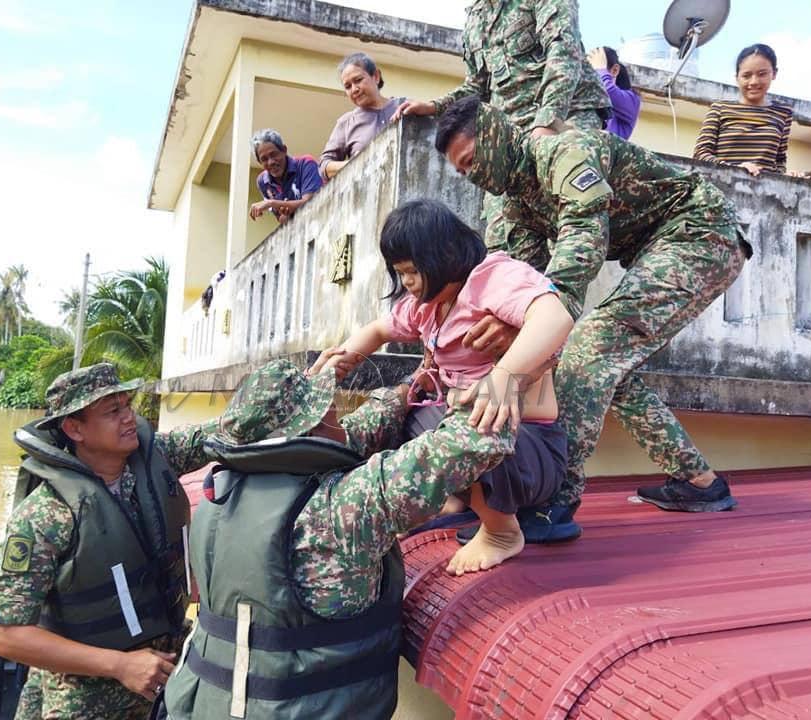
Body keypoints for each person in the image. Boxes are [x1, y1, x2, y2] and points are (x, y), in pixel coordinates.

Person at [434, 96, 751, 538]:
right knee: (606, 367)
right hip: (657, 247)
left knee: (591, 346)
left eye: (473, 162)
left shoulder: (566, 153)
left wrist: (546, 318)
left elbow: (584, 238)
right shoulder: (518, 205)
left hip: (701, 232)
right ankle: (700, 482)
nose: (475, 177)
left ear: (495, 138)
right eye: (464, 173)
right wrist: (513, 326)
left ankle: (551, 501)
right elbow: (521, 282)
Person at [159, 359, 510, 719]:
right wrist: (507, 372)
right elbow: (471, 442)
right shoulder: (341, 508)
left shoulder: (219, 495)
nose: (336, 415)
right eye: (327, 410)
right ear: (309, 427)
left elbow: (346, 436)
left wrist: (407, 390)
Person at [310, 199, 573, 571]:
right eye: (400, 273)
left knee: (470, 423)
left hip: (525, 448)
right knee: (410, 417)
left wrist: (504, 376)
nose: (407, 283)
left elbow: (554, 315)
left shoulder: (492, 278)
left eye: (413, 271)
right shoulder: (429, 304)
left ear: (446, 252)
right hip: (470, 432)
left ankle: (501, 531)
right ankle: (456, 500)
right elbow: (380, 329)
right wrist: (341, 360)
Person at [0, 363, 220, 720]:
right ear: (74, 428)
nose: (129, 418)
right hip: (82, 701)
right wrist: (120, 666)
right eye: (112, 412)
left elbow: (234, 428)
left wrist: (313, 378)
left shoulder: (157, 458)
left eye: (128, 405)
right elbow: (7, 636)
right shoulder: (47, 515)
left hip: (159, 684)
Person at [391, 0, 610, 254]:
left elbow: (564, 53)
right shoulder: (476, 16)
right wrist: (435, 106)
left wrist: (547, 123)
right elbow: (478, 86)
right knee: (502, 239)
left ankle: (562, 286)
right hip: (510, 132)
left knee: (565, 213)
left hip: (567, 112)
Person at [693, 44, 793, 177]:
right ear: (737, 78)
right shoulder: (720, 109)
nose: (754, 82)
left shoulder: (783, 114)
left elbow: (779, 161)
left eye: (762, 74)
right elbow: (700, 154)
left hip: (764, 193)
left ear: (774, 73)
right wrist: (735, 170)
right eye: (746, 76)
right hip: (720, 187)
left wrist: (788, 177)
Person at [318, 52, 405, 181]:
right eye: (348, 86)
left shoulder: (404, 106)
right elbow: (324, 166)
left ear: (376, 76)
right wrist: (354, 163)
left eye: (358, 80)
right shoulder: (347, 122)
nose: (354, 89)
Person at [249, 129, 322, 223]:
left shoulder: (306, 164)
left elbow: (311, 203)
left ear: (284, 150)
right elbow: (281, 219)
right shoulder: (263, 182)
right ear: (259, 162)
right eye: (264, 159)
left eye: (274, 154)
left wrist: (271, 203)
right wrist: (287, 212)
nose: (271, 162)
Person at [587, 46, 640, 140]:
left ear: (615, 70)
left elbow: (608, 92)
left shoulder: (632, 100)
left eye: (593, 71)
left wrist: (600, 68)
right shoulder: (585, 100)